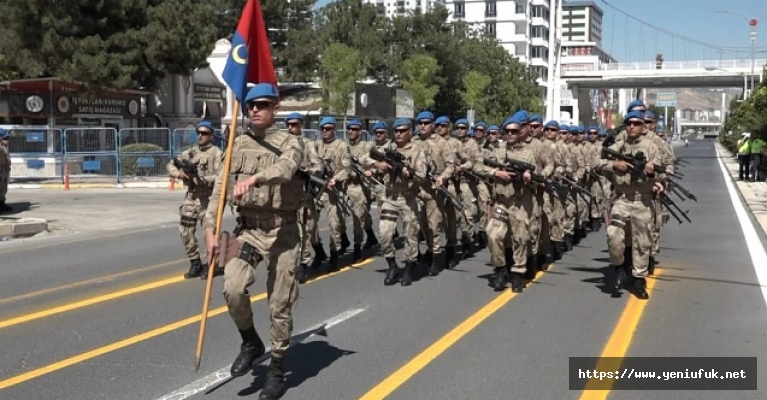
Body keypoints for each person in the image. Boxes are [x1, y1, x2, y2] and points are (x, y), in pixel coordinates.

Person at [204, 83, 304, 400]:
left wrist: (255, 178)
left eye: (262, 104)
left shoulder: (291, 142)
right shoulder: (237, 144)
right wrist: (209, 229)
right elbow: (220, 190)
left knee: (279, 304)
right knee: (231, 287)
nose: (255, 110)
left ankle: (276, 369)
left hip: (282, 232)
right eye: (250, 105)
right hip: (247, 230)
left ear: (275, 108)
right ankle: (250, 341)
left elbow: (288, 169)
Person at [593, 110, 664, 300]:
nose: (632, 126)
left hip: (643, 199)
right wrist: (615, 165)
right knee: (613, 236)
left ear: (642, 127)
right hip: (622, 198)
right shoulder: (618, 146)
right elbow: (596, 163)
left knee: (642, 243)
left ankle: (638, 280)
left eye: (636, 123)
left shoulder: (651, 147)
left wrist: (650, 172)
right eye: (628, 123)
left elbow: (663, 173)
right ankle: (619, 267)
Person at [363, 118, 427, 286]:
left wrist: (409, 173)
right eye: (396, 131)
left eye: (402, 131)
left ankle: (409, 267)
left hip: (408, 197)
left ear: (410, 132)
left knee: (411, 235)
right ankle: (392, 265)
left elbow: (422, 174)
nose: (398, 134)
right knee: (385, 233)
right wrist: (379, 164)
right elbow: (364, 157)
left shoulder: (417, 151)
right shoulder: (388, 149)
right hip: (389, 196)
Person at [166, 121, 224, 279]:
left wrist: (202, 179)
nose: (200, 135)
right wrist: (180, 174)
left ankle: (212, 265)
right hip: (191, 197)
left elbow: (221, 177)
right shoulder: (190, 153)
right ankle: (195, 263)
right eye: (198, 132)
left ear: (211, 135)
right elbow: (171, 164)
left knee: (209, 234)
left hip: (208, 198)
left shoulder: (216, 154)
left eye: (204, 133)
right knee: (185, 230)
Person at [0, 128, 10, 213]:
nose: (4, 138)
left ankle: (2, 204)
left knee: (3, 189)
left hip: (3, 170)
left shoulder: (2, 146)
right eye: (3, 136)